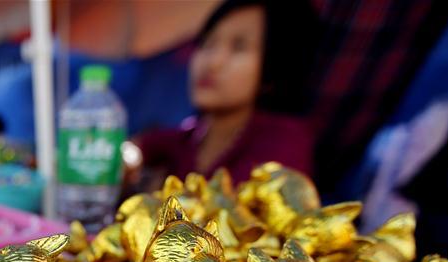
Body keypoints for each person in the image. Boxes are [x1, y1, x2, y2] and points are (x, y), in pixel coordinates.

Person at [134, 0, 319, 187]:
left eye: (239, 47)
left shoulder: (284, 143)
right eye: (207, 44)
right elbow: (134, 151)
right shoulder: (187, 137)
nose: (212, 62)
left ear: (275, 64)